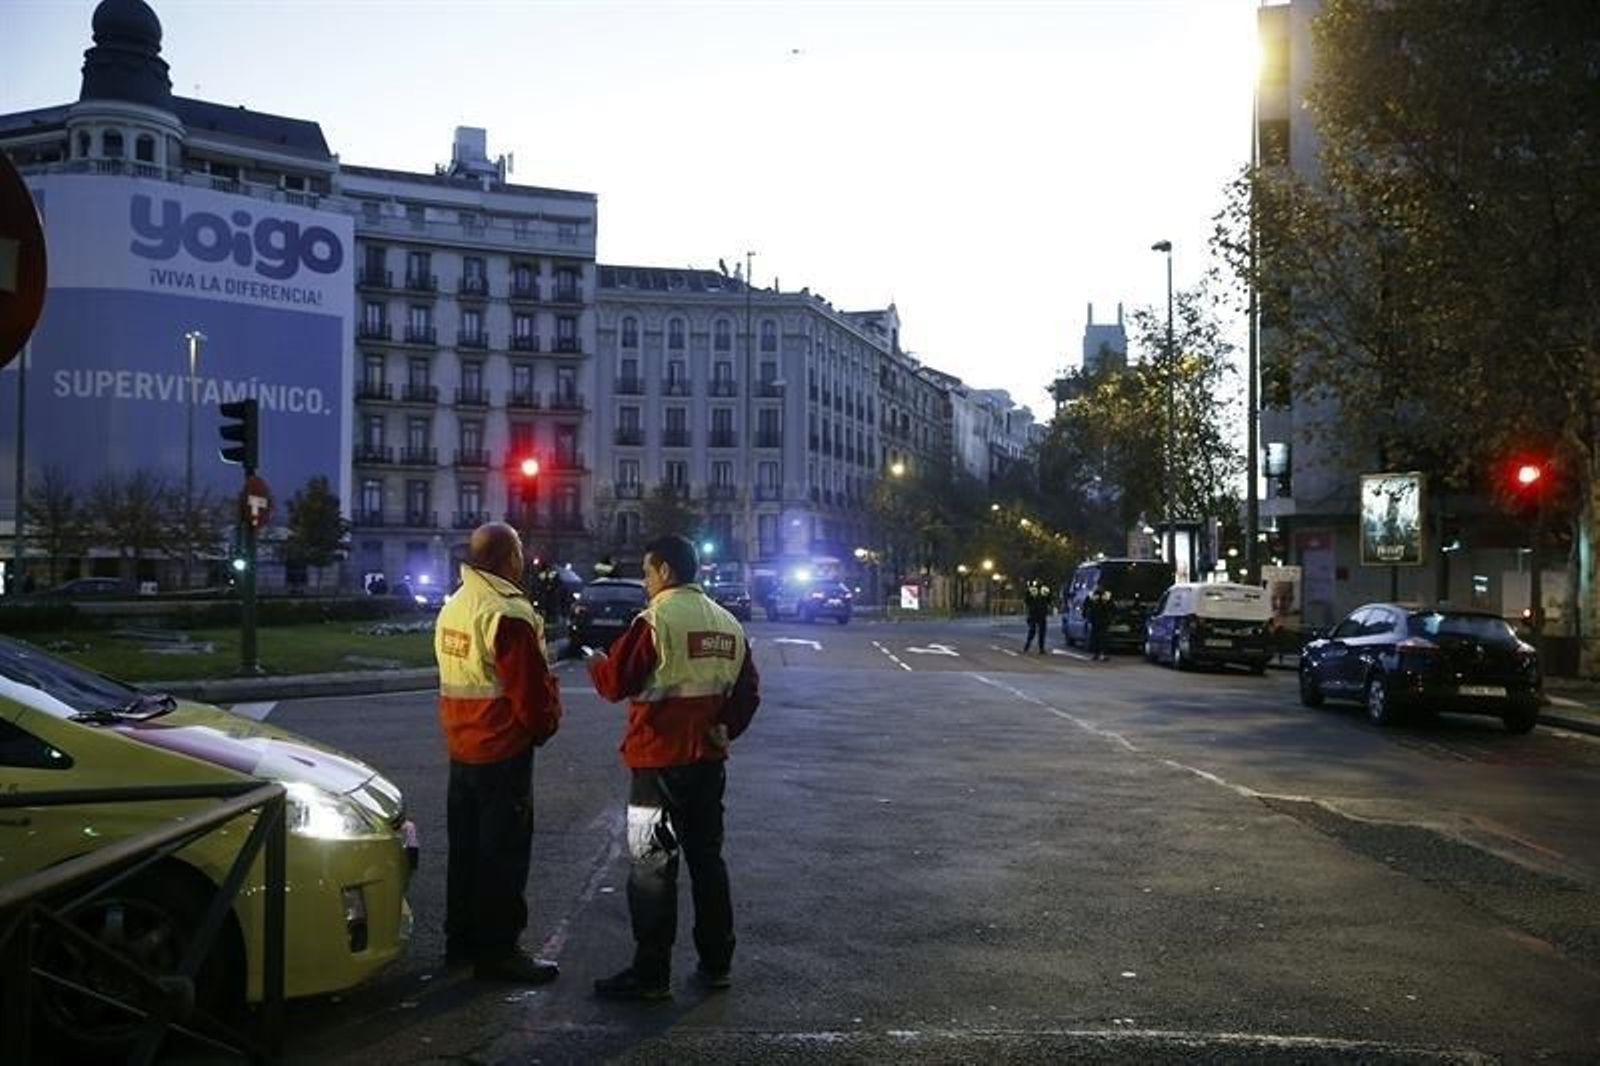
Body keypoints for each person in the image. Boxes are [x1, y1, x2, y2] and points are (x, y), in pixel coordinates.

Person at [583, 533, 761, 1001]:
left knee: (652, 869)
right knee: (708, 862)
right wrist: (726, 727)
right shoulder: (727, 624)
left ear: (664, 571)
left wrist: (596, 660)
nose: (644, 583)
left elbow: (615, 683)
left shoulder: (655, 621)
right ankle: (716, 962)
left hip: (657, 764)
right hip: (707, 762)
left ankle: (651, 974)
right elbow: (747, 693)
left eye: (646, 572)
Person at [433, 521, 563, 983]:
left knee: (465, 852)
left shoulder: (456, 606)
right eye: (520, 550)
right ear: (508, 557)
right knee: (502, 855)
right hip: (502, 749)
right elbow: (528, 690)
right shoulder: (505, 611)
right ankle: (499, 951)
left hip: (462, 748)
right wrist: (545, 724)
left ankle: (461, 942)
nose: (523, 561)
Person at [1022, 580, 1053, 654]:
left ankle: (1027, 645)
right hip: (1042, 612)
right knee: (1042, 631)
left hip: (1033, 612)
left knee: (1032, 630)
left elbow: (1026, 600)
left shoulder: (1031, 589)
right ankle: (1041, 649)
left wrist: (1030, 608)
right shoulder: (1046, 589)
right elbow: (1049, 600)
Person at [1086, 587, 1114, 661]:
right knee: (1103, 638)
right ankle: (1102, 654)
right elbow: (1112, 607)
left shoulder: (1092, 595)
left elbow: (1086, 605)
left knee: (1096, 637)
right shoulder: (1106, 595)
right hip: (1103, 620)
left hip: (1096, 619)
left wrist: (1086, 616)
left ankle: (1097, 654)